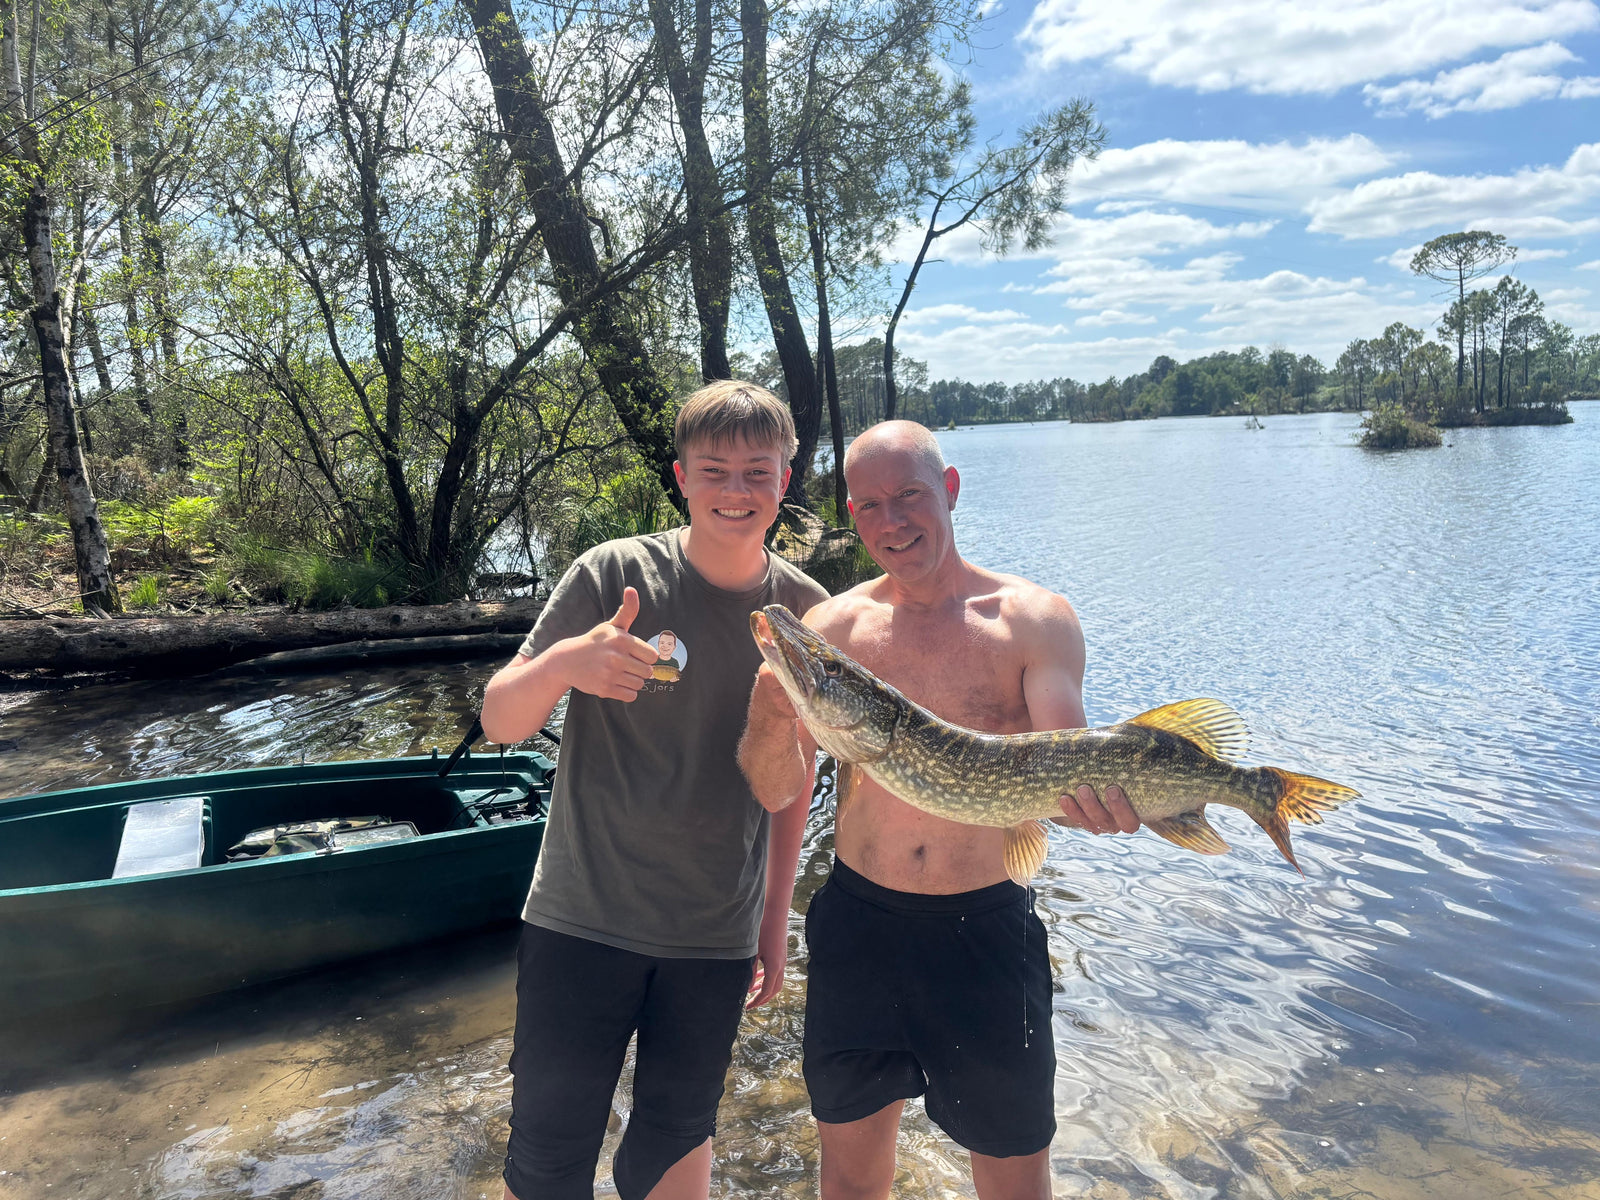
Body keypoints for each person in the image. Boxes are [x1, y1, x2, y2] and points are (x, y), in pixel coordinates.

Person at [738, 420, 1141, 1200]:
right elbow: (776, 790)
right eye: (869, 507)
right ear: (852, 516)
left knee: (1014, 1179)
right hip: (860, 929)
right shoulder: (833, 631)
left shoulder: (1032, 619)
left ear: (949, 490)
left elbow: (1068, 754)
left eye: (910, 497)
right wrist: (766, 714)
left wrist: (1105, 804)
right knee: (851, 1182)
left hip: (985, 931)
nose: (892, 522)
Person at [482, 381, 829, 1200]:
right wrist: (568, 667)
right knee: (547, 1158)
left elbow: (794, 786)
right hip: (580, 919)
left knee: (676, 1149)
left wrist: (773, 924)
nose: (735, 492)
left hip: (713, 937)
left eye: (756, 472)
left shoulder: (809, 610)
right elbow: (500, 720)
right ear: (681, 476)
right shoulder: (613, 574)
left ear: (785, 480)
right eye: (715, 471)